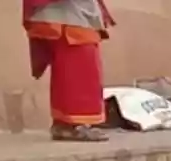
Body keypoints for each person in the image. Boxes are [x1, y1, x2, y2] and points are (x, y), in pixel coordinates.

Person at [23, 0, 116, 142]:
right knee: (78, 70)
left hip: (67, 15)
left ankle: (63, 124)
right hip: (66, 16)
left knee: (68, 70)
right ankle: (72, 125)